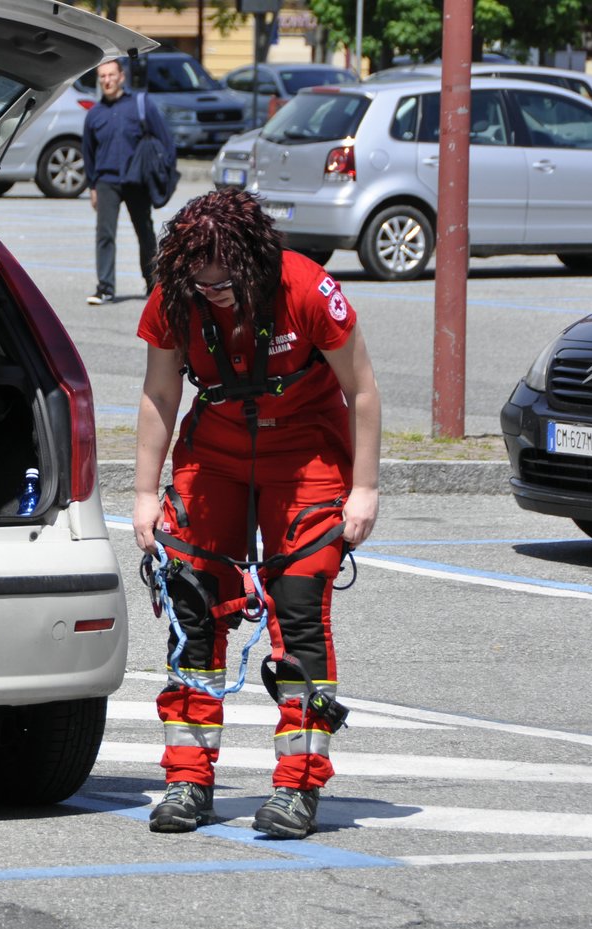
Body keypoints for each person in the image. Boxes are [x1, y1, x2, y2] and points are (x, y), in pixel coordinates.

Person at [131, 188, 381, 839]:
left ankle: (298, 784)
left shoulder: (305, 286)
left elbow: (363, 390)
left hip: (307, 454)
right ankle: (188, 778)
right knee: (190, 604)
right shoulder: (177, 296)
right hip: (212, 452)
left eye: (224, 285)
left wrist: (365, 489)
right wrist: (143, 493)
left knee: (298, 606)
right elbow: (160, 394)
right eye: (202, 284)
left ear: (251, 263)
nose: (213, 294)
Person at [80, 57, 174, 306]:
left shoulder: (140, 105)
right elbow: (88, 153)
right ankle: (105, 288)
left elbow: (166, 140)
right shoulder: (94, 114)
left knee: (144, 232)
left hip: (136, 180)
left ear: (121, 76)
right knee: (105, 235)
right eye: (102, 76)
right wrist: (92, 186)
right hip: (106, 181)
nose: (107, 80)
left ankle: (153, 284)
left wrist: (164, 175)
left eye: (111, 75)